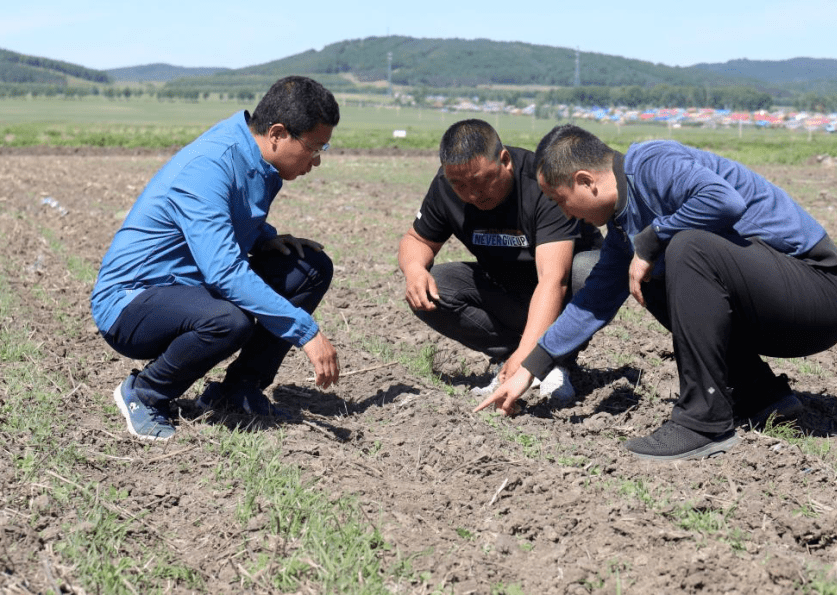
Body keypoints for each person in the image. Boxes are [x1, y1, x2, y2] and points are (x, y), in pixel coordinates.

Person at [476, 124, 837, 461]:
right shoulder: (624, 227)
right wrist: (530, 368)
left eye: (560, 200)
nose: (567, 214)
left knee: (686, 248)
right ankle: (762, 397)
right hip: (778, 305)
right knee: (648, 276)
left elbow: (723, 200)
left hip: (818, 294)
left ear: (586, 180)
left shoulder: (653, 163)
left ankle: (703, 422)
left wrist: (651, 241)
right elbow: (591, 303)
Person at [91, 76, 341, 441]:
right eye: (315, 147)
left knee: (310, 268)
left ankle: (239, 389)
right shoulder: (210, 165)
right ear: (276, 134)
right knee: (229, 320)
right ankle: (145, 393)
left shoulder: (261, 162)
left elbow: (226, 223)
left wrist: (265, 239)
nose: (316, 161)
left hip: (189, 288)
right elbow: (225, 272)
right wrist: (306, 331)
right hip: (131, 302)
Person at [398, 119, 604, 404]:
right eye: (460, 185)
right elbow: (418, 240)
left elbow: (553, 280)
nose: (472, 194)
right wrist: (414, 269)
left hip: (566, 294)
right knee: (437, 287)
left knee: (589, 269)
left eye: (482, 180)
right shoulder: (447, 186)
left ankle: (556, 360)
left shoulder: (541, 183)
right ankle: (510, 356)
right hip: (507, 290)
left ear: (505, 160)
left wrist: (530, 357)